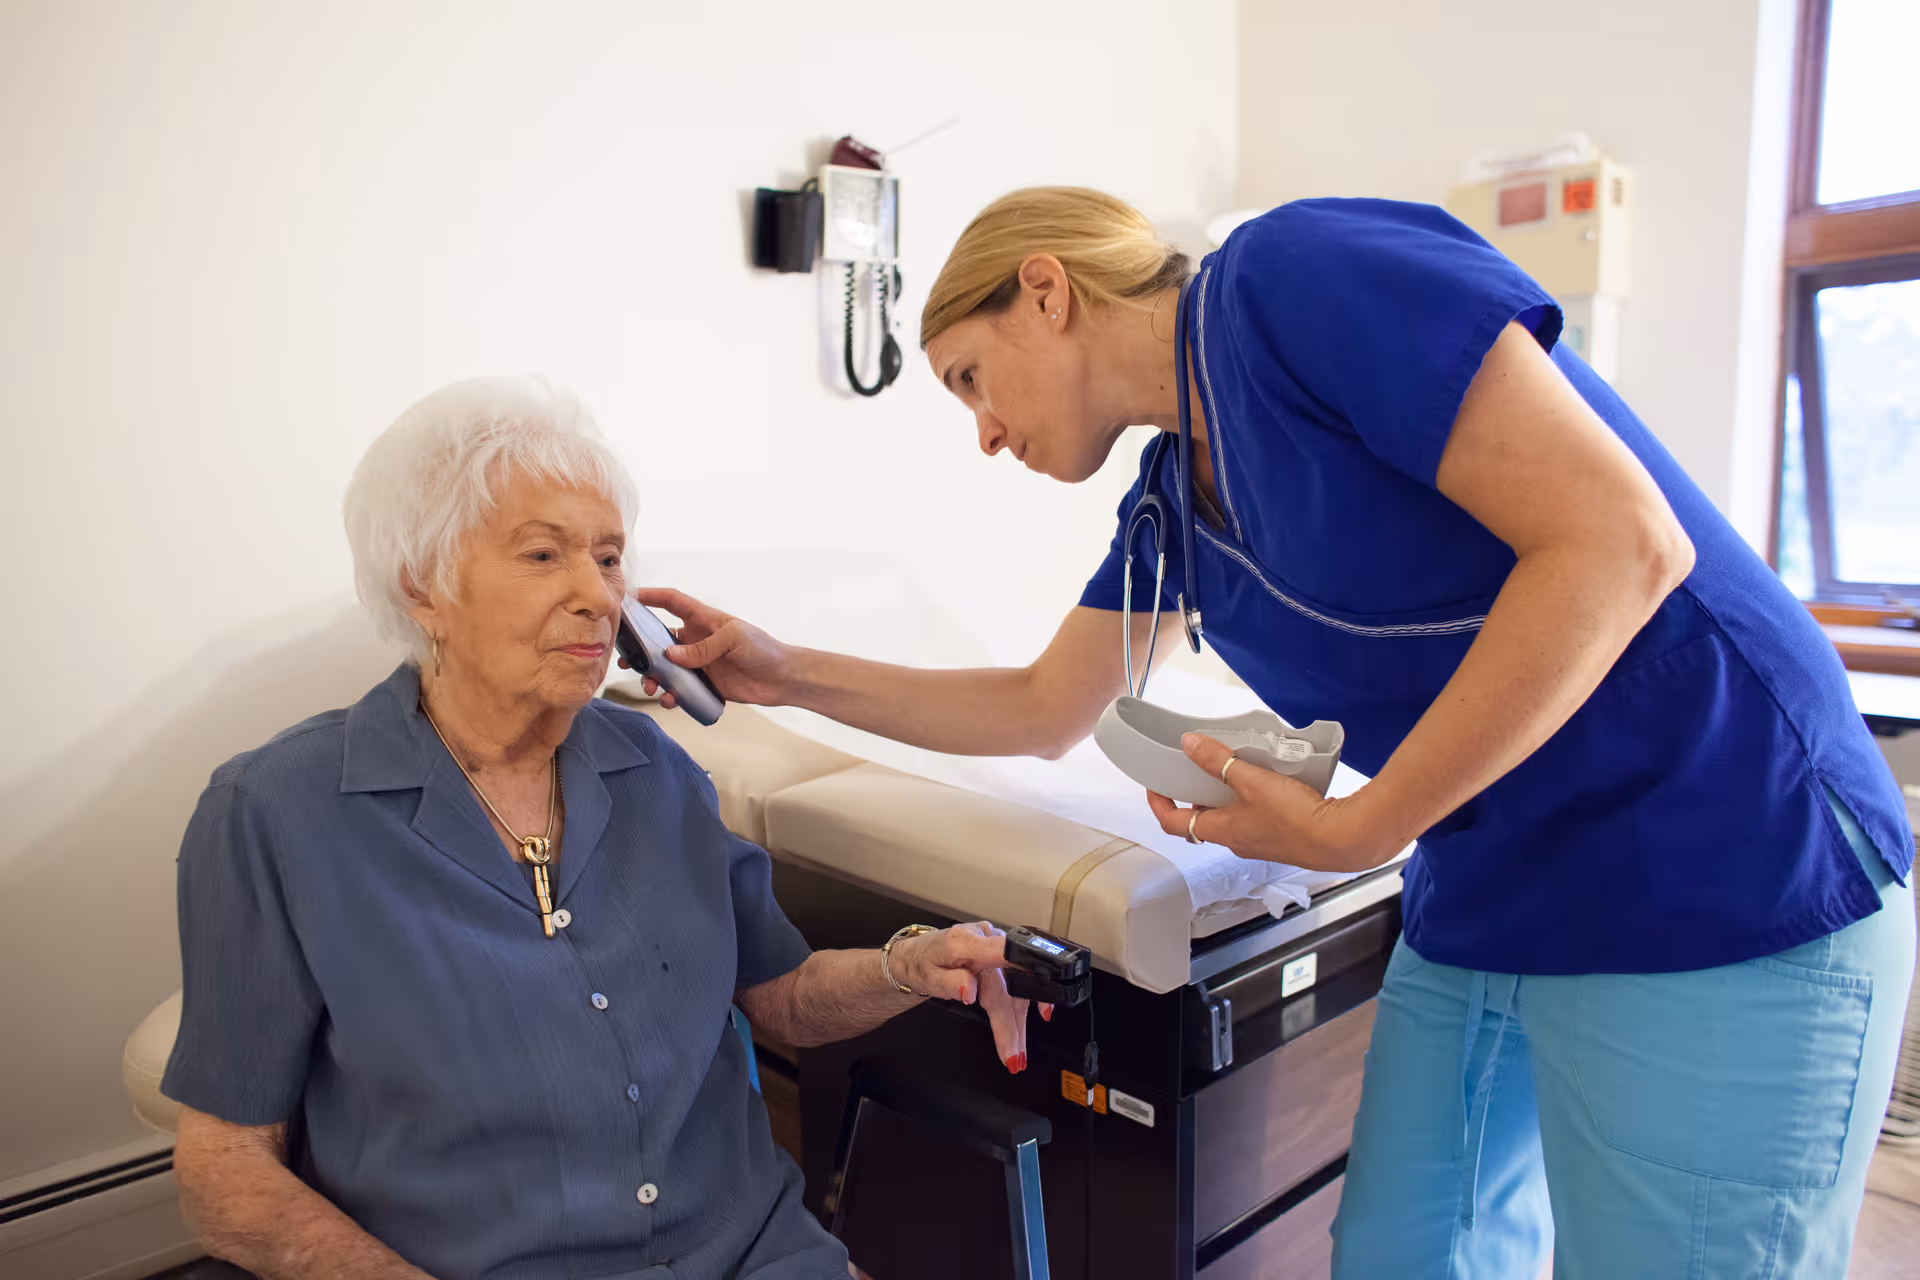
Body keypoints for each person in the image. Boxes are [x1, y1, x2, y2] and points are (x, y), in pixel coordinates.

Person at [635, 189, 1916, 1277]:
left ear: (1045, 292)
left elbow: (1623, 542)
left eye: (971, 377)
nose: (983, 431)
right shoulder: (1170, 504)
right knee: (1400, 1253)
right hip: (1494, 892)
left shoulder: (1289, 282)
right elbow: (1035, 711)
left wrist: (1361, 824)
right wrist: (781, 669)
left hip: (1720, 856)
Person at [162, 376, 1027, 1280]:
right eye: (543, 557)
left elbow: (782, 996)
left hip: (752, 1252)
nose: (596, 594)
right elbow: (222, 1173)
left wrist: (910, 966)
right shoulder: (275, 814)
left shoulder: (657, 772)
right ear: (422, 587)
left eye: (609, 559)